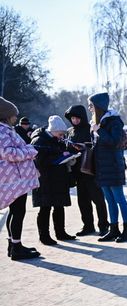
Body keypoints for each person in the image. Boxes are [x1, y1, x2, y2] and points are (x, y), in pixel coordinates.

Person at [88, 92, 127, 243]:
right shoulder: (97, 122)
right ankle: (113, 229)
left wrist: (98, 130)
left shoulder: (114, 121)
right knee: (109, 200)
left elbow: (115, 142)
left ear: (99, 106)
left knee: (119, 198)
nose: (90, 108)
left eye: (91, 105)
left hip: (113, 165)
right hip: (101, 167)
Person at [0, 97, 40, 260]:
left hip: (16, 179)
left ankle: (13, 245)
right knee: (18, 212)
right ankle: (16, 247)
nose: (16, 117)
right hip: (12, 179)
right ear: (6, 115)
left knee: (15, 211)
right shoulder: (2, 131)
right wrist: (30, 151)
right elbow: (8, 153)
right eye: (14, 115)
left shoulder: (7, 130)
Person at [31, 116, 77, 245]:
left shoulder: (58, 139)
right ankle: (44, 236)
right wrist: (59, 157)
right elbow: (39, 160)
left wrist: (70, 156)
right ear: (53, 130)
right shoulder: (39, 140)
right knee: (45, 208)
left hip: (58, 178)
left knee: (59, 205)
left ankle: (60, 233)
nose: (62, 135)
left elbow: (62, 152)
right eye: (60, 132)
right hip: (44, 179)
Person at [64, 104, 109, 237]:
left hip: (90, 170)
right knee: (82, 201)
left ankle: (103, 225)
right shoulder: (70, 131)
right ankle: (88, 226)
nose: (75, 120)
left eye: (77, 118)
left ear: (82, 117)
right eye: (73, 118)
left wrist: (84, 146)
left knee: (98, 199)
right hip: (77, 170)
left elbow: (97, 145)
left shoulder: (90, 129)